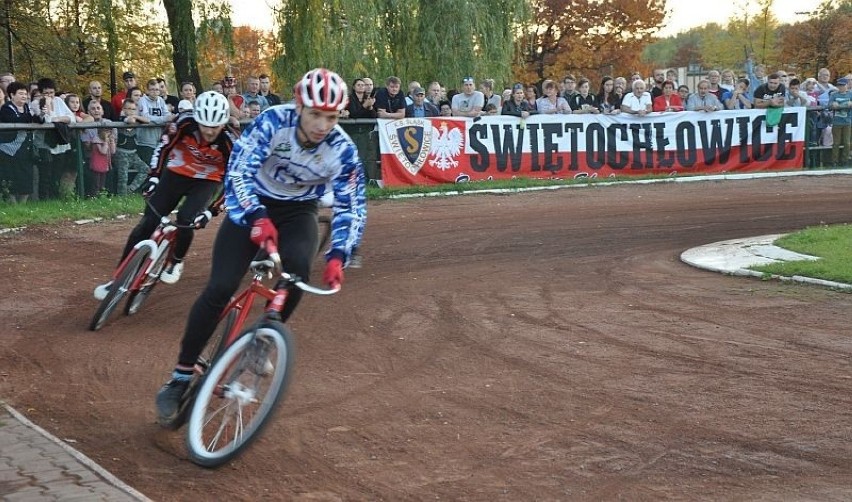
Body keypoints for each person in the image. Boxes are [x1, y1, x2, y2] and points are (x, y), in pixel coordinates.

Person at [154, 68, 366, 425]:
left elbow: (352, 205)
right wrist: (255, 216)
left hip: (299, 211)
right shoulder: (272, 121)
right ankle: (179, 377)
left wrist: (339, 254)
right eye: (315, 114)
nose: (321, 125)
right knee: (220, 287)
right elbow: (237, 171)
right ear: (299, 106)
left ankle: (263, 341)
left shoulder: (342, 149)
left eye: (330, 117)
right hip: (252, 203)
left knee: (297, 272)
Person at [94, 92, 234, 300]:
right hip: (176, 173)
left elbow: (233, 181)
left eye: (215, 127)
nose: (209, 131)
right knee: (147, 223)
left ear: (223, 124)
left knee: (186, 220)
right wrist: (154, 177)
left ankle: (176, 261)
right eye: (204, 125)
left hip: (207, 180)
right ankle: (117, 278)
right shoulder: (184, 122)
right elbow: (163, 148)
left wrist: (211, 211)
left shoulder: (230, 141)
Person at [0, 82, 40, 203]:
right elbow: (15, 120)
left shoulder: (28, 107)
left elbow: (36, 120)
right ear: (12, 95)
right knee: (10, 178)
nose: (24, 96)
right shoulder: (6, 108)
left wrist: (40, 114)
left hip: (26, 149)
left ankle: (23, 206)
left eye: (25, 94)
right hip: (9, 150)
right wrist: (31, 115)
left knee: (26, 178)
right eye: (21, 93)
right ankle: (13, 206)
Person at [114, 98, 150, 194]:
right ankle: (121, 198)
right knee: (123, 177)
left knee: (145, 169)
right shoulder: (120, 119)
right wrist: (134, 117)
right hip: (121, 153)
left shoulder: (136, 118)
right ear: (123, 109)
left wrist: (136, 116)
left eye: (133, 109)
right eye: (128, 108)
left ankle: (130, 189)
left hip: (133, 154)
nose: (130, 111)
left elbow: (148, 120)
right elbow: (129, 120)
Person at [136, 78, 174, 166]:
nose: (154, 92)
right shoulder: (142, 101)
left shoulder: (161, 101)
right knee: (149, 169)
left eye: (157, 90)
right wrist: (164, 119)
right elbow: (146, 117)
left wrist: (167, 118)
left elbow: (167, 114)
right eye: (152, 89)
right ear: (147, 90)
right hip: (146, 142)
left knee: (161, 167)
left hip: (159, 141)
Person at [82, 101, 117, 196]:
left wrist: (108, 141)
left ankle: (108, 195)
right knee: (94, 180)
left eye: (98, 108)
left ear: (102, 111)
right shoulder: (85, 125)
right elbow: (87, 145)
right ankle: (93, 195)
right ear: (88, 112)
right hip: (92, 157)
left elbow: (114, 141)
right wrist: (101, 142)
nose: (96, 111)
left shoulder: (109, 123)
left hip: (108, 157)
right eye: (93, 109)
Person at [828, 78, 851, 167]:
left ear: (846, 85)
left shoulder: (850, 94)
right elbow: (829, 106)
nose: (841, 87)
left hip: (847, 121)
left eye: (843, 85)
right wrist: (832, 105)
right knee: (836, 143)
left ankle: (844, 160)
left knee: (847, 142)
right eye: (839, 85)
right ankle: (834, 161)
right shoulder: (834, 95)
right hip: (836, 121)